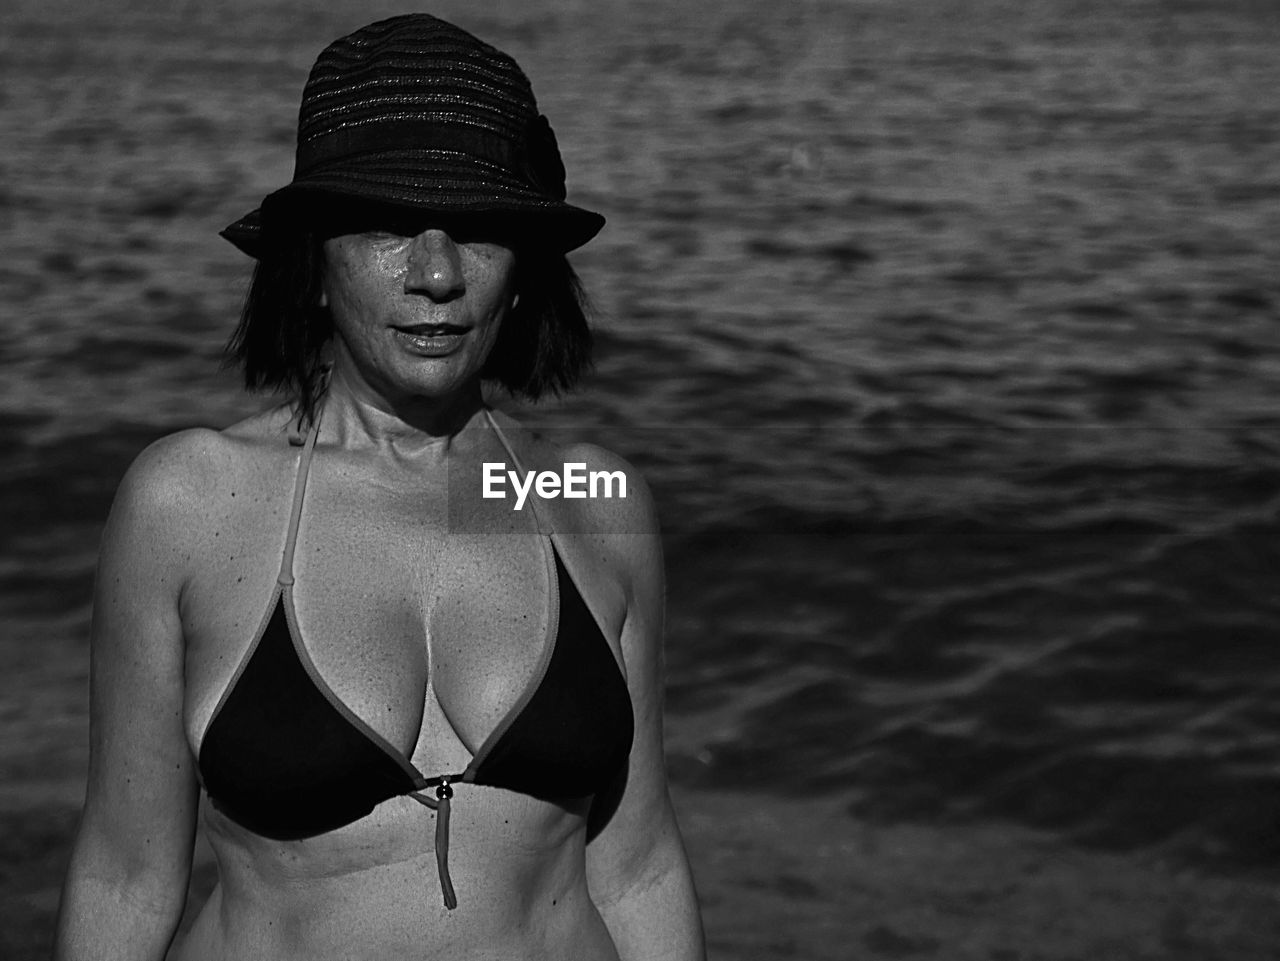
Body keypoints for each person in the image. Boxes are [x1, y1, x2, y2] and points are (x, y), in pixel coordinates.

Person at [53, 13, 705, 961]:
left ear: (523, 271)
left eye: (478, 228)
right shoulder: (192, 501)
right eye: (391, 225)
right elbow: (124, 873)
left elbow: (640, 865)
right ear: (313, 261)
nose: (437, 273)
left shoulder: (588, 499)